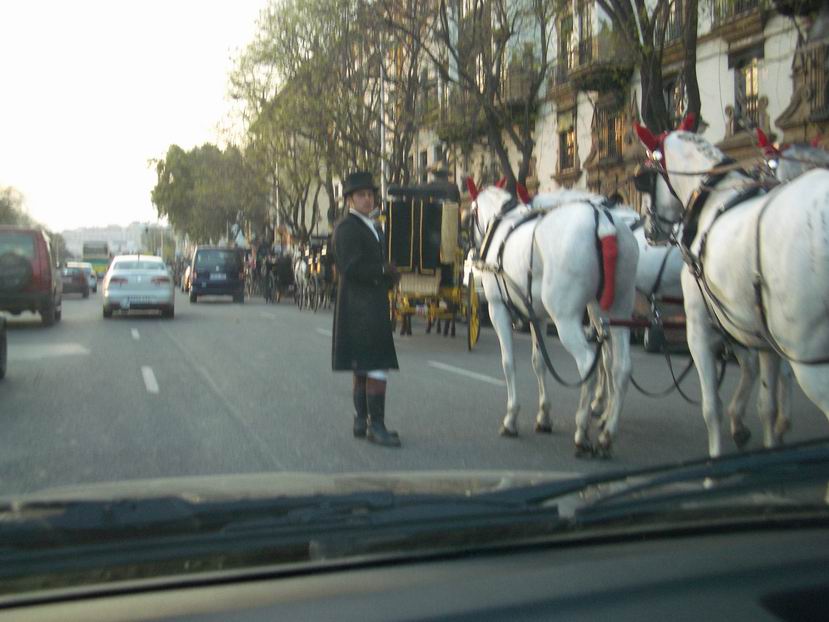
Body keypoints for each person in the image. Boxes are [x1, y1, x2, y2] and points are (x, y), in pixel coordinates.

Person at [331, 171, 401, 448]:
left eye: (370, 194)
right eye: (361, 194)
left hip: (366, 302)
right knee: (376, 367)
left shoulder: (370, 225)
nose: (367, 198)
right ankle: (377, 426)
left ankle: (361, 421)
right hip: (362, 306)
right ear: (349, 199)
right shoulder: (348, 228)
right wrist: (384, 271)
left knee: (361, 366)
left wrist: (387, 275)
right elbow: (351, 267)